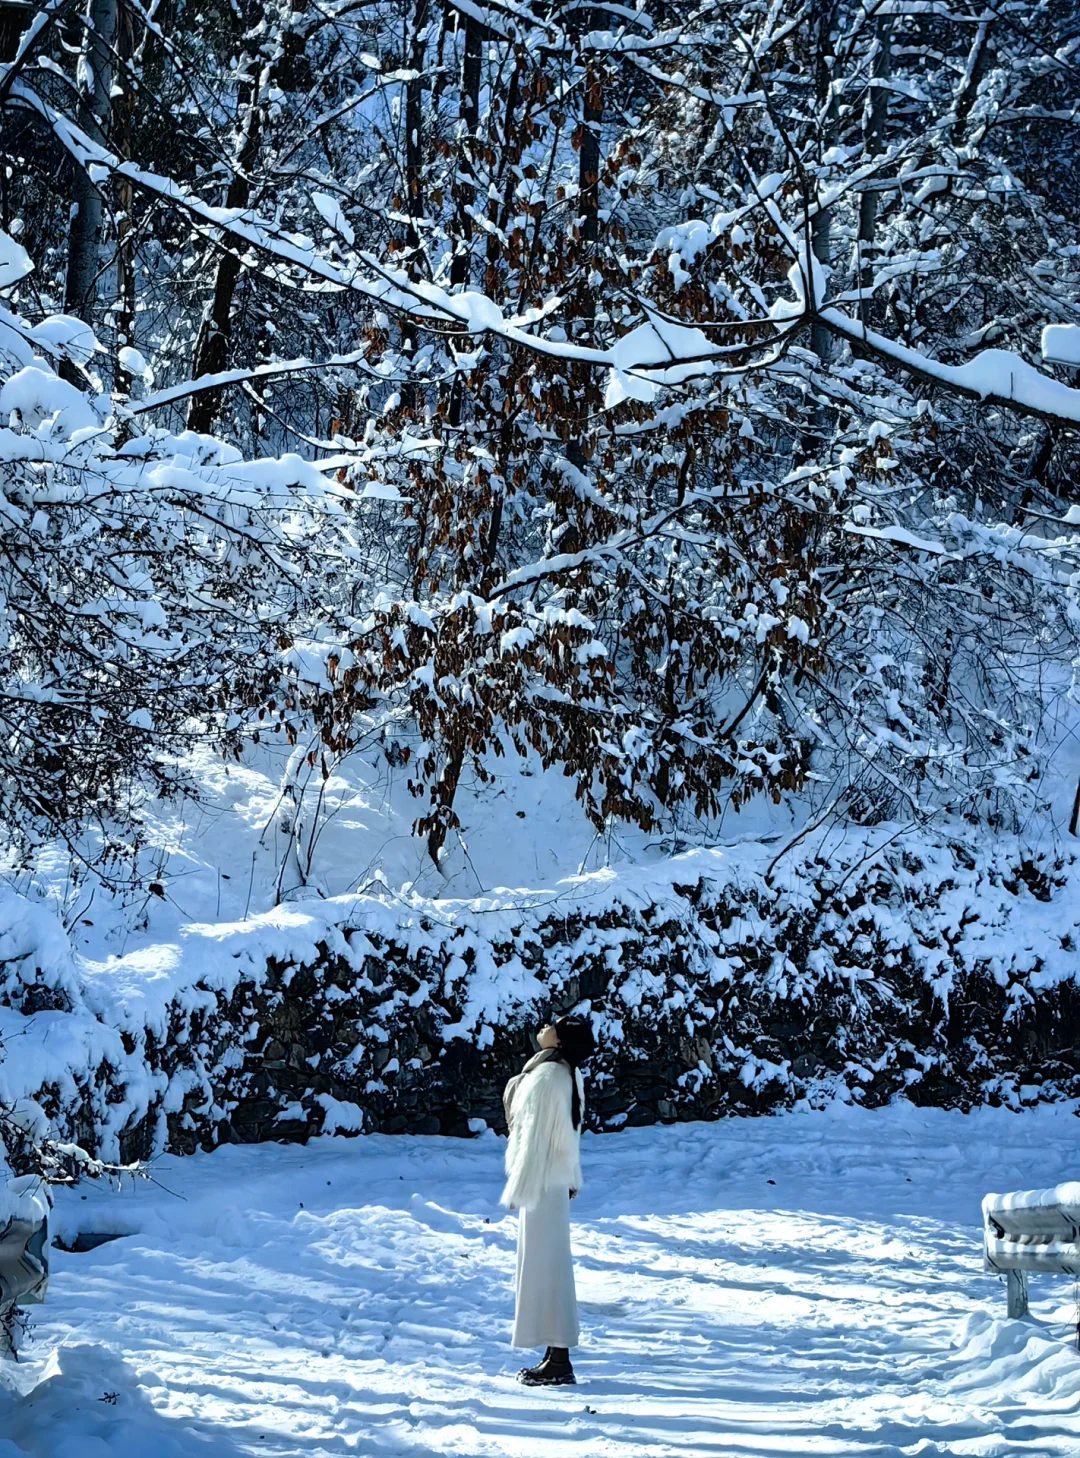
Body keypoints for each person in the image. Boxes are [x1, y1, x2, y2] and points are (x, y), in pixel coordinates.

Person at [501, 1012, 596, 1387]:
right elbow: (568, 1133)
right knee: (550, 1265)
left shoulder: (547, 1075)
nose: (544, 1027)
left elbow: (533, 1139)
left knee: (546, 1268)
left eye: (552, 1026)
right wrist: (570, 1175)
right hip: (553, 1181)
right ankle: (554, 1352)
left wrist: (520, 1185)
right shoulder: (567, 1073)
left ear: (559, 1041)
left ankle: (559, 1358)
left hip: (540, 1182)